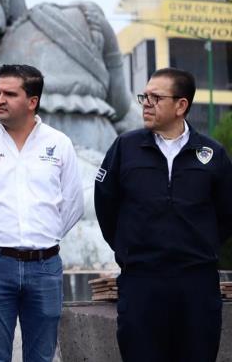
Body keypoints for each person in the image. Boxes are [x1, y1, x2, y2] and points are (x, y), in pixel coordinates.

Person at [95, 67, 232, 362]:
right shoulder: (125, 148)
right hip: (142, 281)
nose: (146, 103)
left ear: (181, 105)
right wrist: (127, 248)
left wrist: (201, 247)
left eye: (156, 97)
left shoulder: (212, 153)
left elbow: (226, 213)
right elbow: (106, 205)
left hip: (197, 285)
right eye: (145, 95)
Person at [0, 64, 84, 362]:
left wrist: (43, 235)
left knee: (42, 357)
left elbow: (73, 203)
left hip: (45, 266)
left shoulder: (58, 144)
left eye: (9, 94)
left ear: (32, 101)